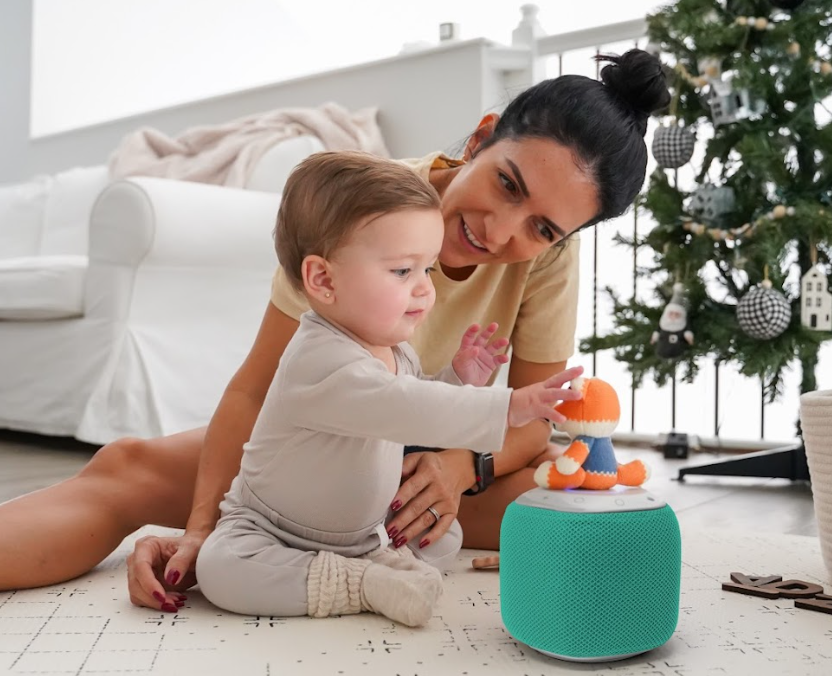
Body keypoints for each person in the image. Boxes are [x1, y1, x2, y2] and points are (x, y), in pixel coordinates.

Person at [0, 50, 670, 612]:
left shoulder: (550, 259)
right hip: (324, 448)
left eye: (544, 228)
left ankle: (332, 551)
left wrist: (455, 467)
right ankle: (302, 547)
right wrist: (204, 529)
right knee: (128, 469)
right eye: (508, 185)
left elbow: (532, 421)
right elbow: (255, 390)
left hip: (421, 474)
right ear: (482, 137)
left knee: (570, 489)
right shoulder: (359, 205)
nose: (502, 230)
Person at [194, 151, 583, 626]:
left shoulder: (393, 349)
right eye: (403, 272)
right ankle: (359, 583)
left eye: (429, 270)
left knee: (445, 535)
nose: (424, 290)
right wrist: (509, 405)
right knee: (221, 569)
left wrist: (457, 377)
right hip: (273, 529)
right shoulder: (319, 358)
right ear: (323, 280)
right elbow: (405, 405)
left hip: (364, 530)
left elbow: (408, 401)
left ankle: (370, 561)